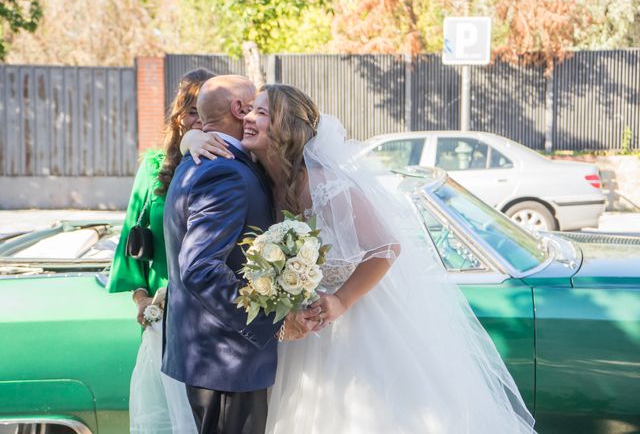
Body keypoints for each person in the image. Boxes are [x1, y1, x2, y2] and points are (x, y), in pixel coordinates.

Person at [237, 84, 536, 433]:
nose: (248, 117)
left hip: (357, 326)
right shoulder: (267, 182)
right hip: (307, 334)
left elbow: (387, 247)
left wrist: (339, 301)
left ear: (286, 126)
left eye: (261, 112)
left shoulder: (324, 183)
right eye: (248, 110)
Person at [162, 75, 318, 434]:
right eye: (255, 105)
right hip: (228, 361)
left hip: (215, 359)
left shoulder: (205, 159)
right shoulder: (225, 172)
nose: (254, 115)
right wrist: (274, 323)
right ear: (238, 108)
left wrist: (190, 138)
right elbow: (200, 268)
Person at [108, 68, 233, 434]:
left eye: (205, 111)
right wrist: (141, 299)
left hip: (215, 319)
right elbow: (132, 244)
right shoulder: (152, 167)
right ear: (179, 116)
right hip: (164, 315)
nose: (199, 120)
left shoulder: (228, 161)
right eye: (191, 111)